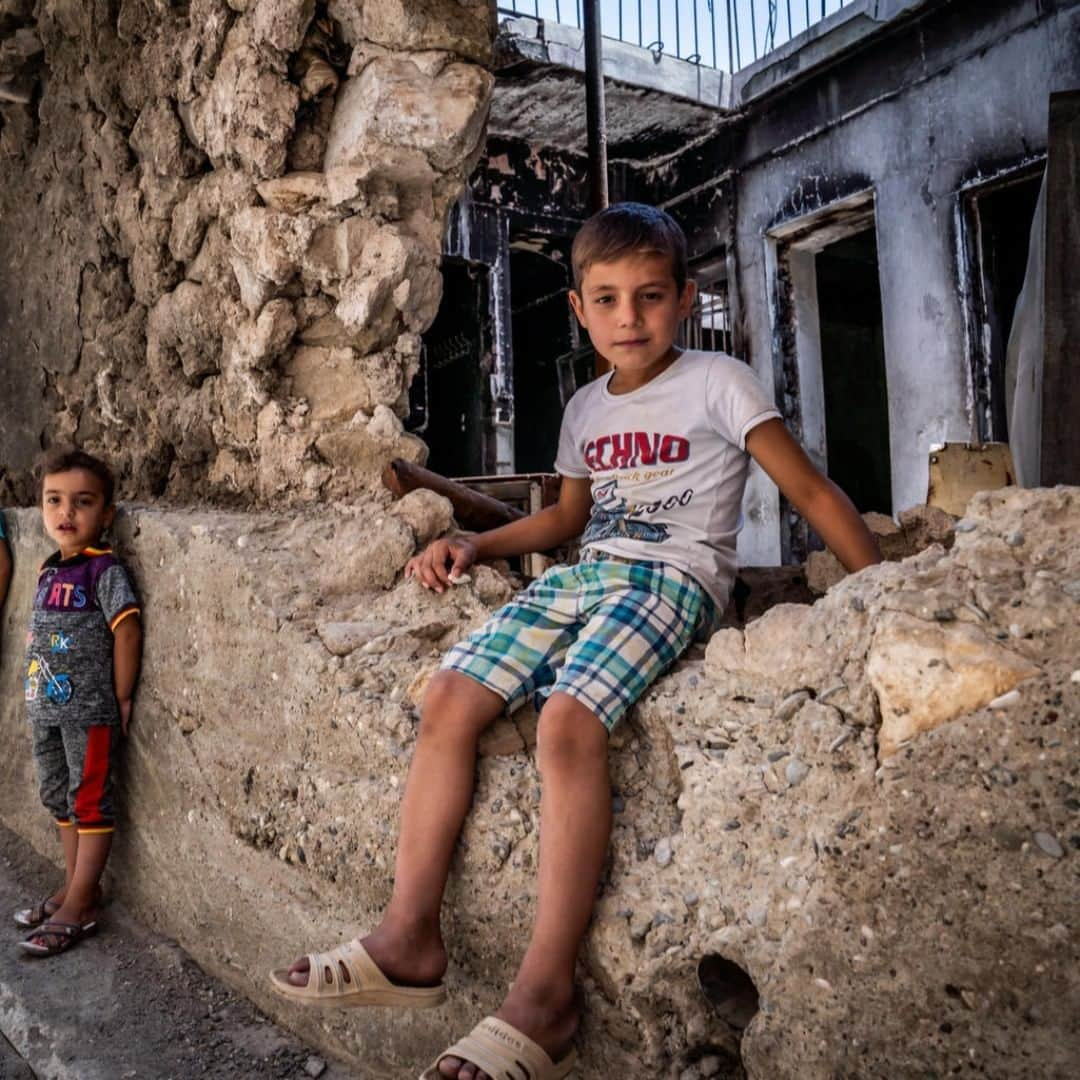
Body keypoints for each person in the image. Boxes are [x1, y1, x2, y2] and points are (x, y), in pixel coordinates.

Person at [270, 203, 881, 1080]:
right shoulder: (586, 405)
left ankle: (547, 994)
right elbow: (565, 518)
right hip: (582, 576)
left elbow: (811, 495)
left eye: (650, 297)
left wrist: (882, 595)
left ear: (686, 299)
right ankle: (408, 936)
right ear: (578, 308)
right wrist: (474, 542)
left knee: (567, 722)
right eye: (608, 299)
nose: (629, 319)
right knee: (446, 697)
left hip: (672, 581)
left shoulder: (720, 381)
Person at [16, 449, 142, 957]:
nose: (66, 513)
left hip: (88, 712)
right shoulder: (49, 570)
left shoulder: (103, 571)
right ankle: (75, 885)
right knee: (58, 797)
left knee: (89, 801)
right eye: (54, 501)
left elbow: (127, 631)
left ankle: (82, 905)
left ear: (105, 515)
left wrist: (123, 695)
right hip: (45, 710)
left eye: (82, 502)